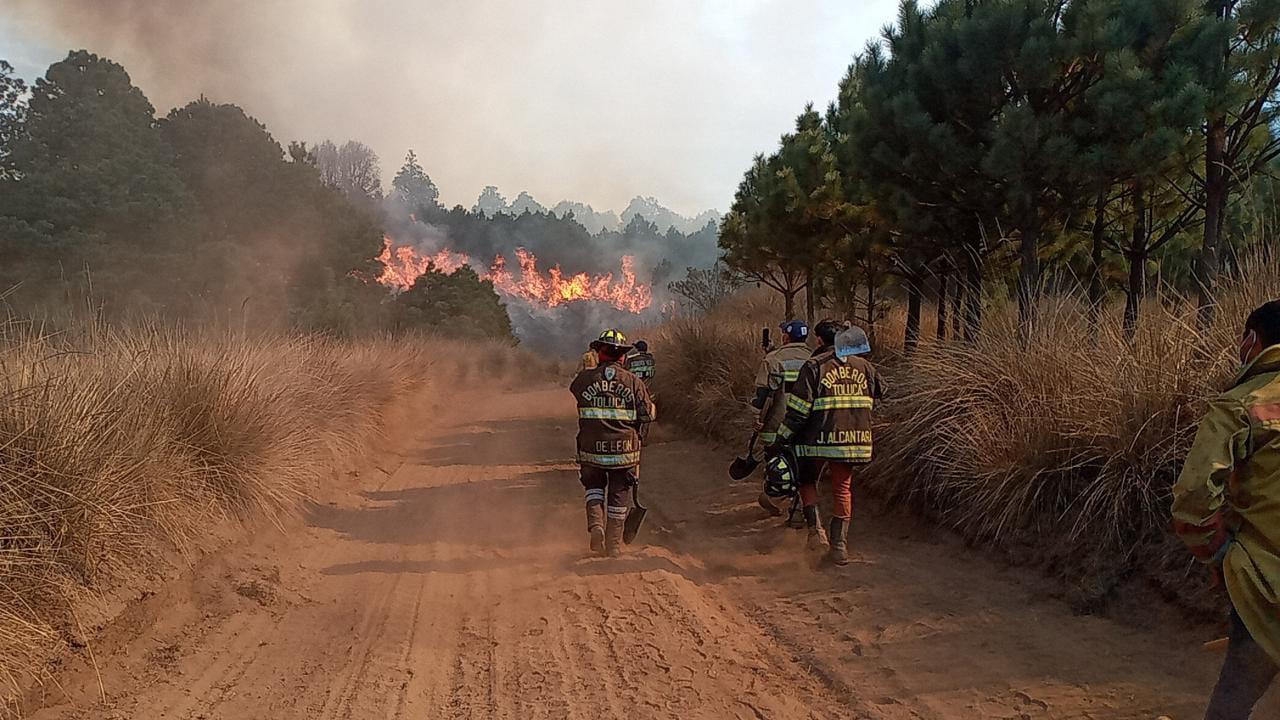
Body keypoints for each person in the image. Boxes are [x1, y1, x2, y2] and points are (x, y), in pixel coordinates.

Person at [1173, 299, 1280, 720]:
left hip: (1264, 586)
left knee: (1234, 700)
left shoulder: (1240, 405)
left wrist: (1218, 553)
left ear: (1252, 341)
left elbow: (1193, 498)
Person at [775, 325, 885, 565]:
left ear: (818, 340)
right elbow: (881, 391)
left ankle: (816, 534)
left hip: (815, 440)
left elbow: (798, 410)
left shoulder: (814, 366)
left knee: (807, 480)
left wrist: (782, 436)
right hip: (852, 440)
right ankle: (839, 547)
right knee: (842, 489)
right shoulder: (865, 366)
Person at [570, 329, 657, 557]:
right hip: (624, 450)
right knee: (619, 493)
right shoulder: (633, 381)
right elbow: (647, 415)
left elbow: (575, 390)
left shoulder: (583, 380)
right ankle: (613, 545)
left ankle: (596, 525)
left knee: (593, 487)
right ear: (623, 356)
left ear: (599, 353)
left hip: (591, 448)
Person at [751, 320, 812, 519]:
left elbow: (762, 394)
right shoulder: (815, 358)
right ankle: (799, 510)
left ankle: (775, 498)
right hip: (806, 422)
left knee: (776, 463)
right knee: (803, 467)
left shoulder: (773, 360)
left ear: (786, 336)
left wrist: (756, 418)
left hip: (777, 422)